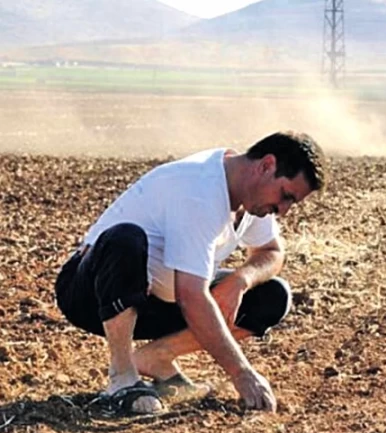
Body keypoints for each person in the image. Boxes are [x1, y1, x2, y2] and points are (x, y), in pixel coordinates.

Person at [53, 131, 327, 415]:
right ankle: (122, 377)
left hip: (158, 300)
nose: (282, 211)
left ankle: (158, 356)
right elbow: (191, 296)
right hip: (92, 294)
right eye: (285, 196)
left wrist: (240, 280)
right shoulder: (200, 189)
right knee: (125, 239)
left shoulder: (252, 200)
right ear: (266, 165)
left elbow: (271, 251)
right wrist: (241, 373)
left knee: (272, 295)